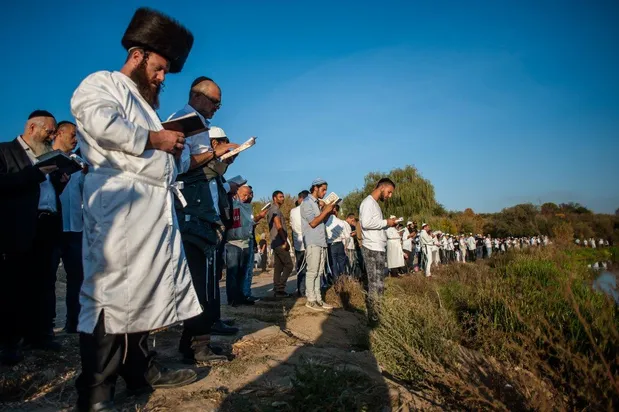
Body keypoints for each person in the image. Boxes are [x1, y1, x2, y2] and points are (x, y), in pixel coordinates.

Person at [70, 8, 202, 410]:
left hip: (152, 208)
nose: (162, 78)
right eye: (159, 69)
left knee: (147, 290)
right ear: (137, 54)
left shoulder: (146, 106)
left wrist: (174, 147)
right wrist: (155, 139)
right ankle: (96, 390)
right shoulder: (103, 83)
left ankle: (141, 370)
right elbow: (98, 123)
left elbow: (157, 153)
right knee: (109, 294)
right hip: (118, 207)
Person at [0, 110, 68, 365]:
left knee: (43, 284)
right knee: (13, 287)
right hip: (17, 229)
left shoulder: (46, 157)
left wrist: (59, 180)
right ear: (31, 128)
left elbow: (47, 193)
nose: (52, 136)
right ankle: (9, 343)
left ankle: (38, 336)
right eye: (49, 131)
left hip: (47, 227)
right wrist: (36, 174)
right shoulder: (5, 152)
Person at [51, 121, 86, 333]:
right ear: (59, 133)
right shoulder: (45, 160)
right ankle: (46, 325)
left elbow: (85, 192)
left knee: (77, 278)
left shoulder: (78, 163)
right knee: (47, 278)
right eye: (72, 135)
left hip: (76, 228)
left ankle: (74, 323)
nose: (75, 140)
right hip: (53, 228)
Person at [359, 178, 397, 324]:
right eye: (389, 192)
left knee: (380, 282)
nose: (389, 195)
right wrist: (386, 222)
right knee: (375, 283)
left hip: (378, 246)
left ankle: (378, 312)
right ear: (382, 188)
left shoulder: (375, 204)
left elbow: (375, 225)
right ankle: (374, 315)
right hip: (372, 248)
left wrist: (388, 225)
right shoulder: (368, 202)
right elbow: (367, 223)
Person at [226, 185, 267, 306]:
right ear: (236, 192)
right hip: (232, 243)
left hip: (245, 242)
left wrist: (258, 217)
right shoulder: (231, 204)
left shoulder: (247, 207)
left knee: (242, 272)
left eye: (248, 194)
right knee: (233, 272)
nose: (246, 197)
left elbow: (248, 223)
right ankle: (233, 299)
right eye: (244, 194)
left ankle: (242, 296)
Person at [301, 178, 336, 311]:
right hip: (312, 241)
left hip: (321, 241)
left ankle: (318, 299)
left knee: (319, 271)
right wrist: (326, 210)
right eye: (323, 189)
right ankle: (310, 300)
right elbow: (313, 223)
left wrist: (328, 211)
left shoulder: (316, 204)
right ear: (315, 188)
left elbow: (322, 221)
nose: (325, 192)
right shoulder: (307, 203)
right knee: (312, 271)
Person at [268, 190, 294, 297]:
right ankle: (280, 288)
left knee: (278, 267)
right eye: (280, 197)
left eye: (283, 197)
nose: (282, 199)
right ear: (275, 198)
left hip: (275, 242)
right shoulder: (275, 209)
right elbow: (278, 225)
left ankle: (277, 289)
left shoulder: (274, 209)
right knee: (289, 265)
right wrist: (284, 240)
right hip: (279, 241)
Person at [290, 190, 309, 296]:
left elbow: (292, 226)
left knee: (300, 267)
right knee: (310, 268)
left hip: (298, 243)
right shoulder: (309, 209)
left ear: (301, 198)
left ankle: (301, 290)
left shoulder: (293, 211)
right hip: (309, 241)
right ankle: (308, 290)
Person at [325, 204, 350, 282]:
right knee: (342, 264)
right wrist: (346, 245)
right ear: (336, 212)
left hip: (331, 245)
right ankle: (344, 280)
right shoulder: (341, 222)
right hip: (340, 244)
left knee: (333, 265)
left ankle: (336, 282)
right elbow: (347, 236)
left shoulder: (325, 223)